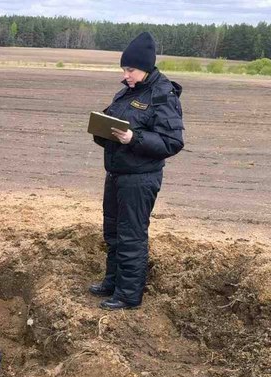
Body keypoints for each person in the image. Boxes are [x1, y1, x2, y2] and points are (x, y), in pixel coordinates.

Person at [91, 31, 185, 310]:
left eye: (130, 69)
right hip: (117, 174)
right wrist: (102, 131)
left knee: (131, 235)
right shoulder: (126, 92)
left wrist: (135, 139)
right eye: (123, 68)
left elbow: (172, 142)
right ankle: (113, 281)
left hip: (140, 178)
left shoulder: (162, 95)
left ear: (145, 67)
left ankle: (128, 295)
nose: (125, 74)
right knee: (113, 232)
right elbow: (111, 123)